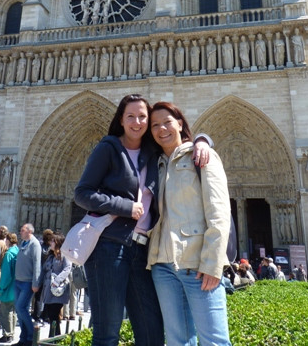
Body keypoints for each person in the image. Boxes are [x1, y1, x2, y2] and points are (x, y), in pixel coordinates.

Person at [74, 94, 211, 346]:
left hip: (143, 251)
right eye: (130, 116)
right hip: (108, 246)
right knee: (107, 331)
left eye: (142, 117)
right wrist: (125, 207)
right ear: (121, 120)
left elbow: (176, 137)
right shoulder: (108, 148)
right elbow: (82, 194)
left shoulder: (152, 151)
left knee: (151, 331)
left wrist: (203, 141)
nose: (137, 122)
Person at [147, 101, 232, 346]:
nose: (161, 129)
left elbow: (219, 211)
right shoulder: (156, 164)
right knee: (177, 342)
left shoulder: (201, 155)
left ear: (180, 124)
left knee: (214, 342)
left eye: (167, 122)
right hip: (162, 267)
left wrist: (213, 263)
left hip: (197, 265)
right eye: (155, 125)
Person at [14, 223, 41, 346]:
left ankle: (32, 335)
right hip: (18, 281)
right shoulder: (23, 243)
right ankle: (23, 338)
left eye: (22, 230)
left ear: (29, 231)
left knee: (21, 308)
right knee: (19, 310)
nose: (20, 232)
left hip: (28, 282)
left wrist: (36, 283)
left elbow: (37, 265)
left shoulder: (35, 244)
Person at [39, 233, 71, 336]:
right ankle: (55, 337)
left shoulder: (65, 255)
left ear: (58, 242)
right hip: (48, 289)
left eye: (53, 241)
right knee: (51, 315)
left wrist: (57, 281)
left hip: (58, 290)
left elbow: (67, 269)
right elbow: (44, 269)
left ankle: (54, 337)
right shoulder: (50, 256)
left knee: (54, 314)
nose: (50, 243)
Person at [0, 232, 19, 344]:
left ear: (8, 241)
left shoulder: (9, 254)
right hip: (17, 287)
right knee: (13, 311)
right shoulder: (19, 252)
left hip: (8, 287)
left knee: (5, 311)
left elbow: (6, 274)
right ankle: (12, 333)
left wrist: (1, 287)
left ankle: (7, 334)